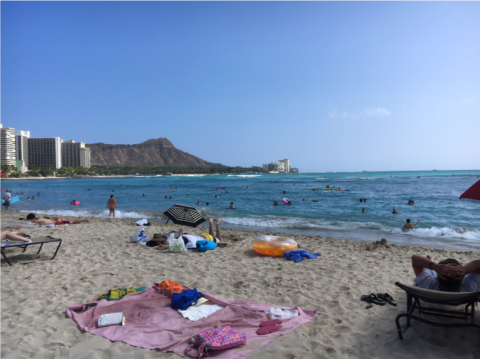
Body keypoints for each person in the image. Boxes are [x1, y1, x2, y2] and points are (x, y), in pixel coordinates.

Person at [411, 254, 480, 292]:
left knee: (430, 271)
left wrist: (435, 266)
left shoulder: (429, 283)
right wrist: (465, 269)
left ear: (438, 277)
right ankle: (431, 261)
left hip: (433, 279)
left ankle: (431, 261)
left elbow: (414, 258)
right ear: (462, 277)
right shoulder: (469, 288)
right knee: (431, 272)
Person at [156, 218, 223, 251]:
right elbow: (181, 241)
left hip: (200, 237)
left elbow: (181, 242)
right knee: (215, 238)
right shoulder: (183, 238)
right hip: (197, 235)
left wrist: (166, 246)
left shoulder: (185, 241)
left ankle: (216, 225)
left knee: (218, 239)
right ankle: (212, 224)